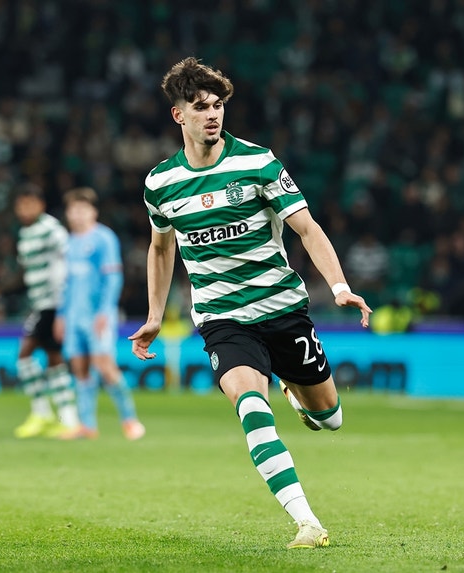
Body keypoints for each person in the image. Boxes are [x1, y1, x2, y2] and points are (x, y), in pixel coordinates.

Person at [129, 57, 372, 549]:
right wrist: (154, 315)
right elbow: (160, 247)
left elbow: (307, 228)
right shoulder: (161, 183)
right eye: (201, 107)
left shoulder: (258, 163)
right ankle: (307, 521)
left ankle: (296, 394)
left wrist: (339, 286)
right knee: (249, 405)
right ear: (179, 115)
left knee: (330, 417)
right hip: (223, 319)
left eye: (218, 106)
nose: (212, 115)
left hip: (282, 308)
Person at [0, 182, 83, 439]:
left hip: (54, 302)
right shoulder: (26, 234)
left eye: (30, 204)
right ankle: (68, 418)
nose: (25, 209)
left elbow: (68, 261)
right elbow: (24, 273)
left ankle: (42, 412)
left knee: (25, 355)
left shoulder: (52, 230)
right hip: (41, 302)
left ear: (41, 205)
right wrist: (0, 291)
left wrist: (66, 302)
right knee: (54, 359)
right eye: (21, 205)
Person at [54, 187, 145, 440]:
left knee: (105, 366)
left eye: (82, 209)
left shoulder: (104, 238)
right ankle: (87, 425)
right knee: (80, 369)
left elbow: (113, 278)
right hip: (74, 317)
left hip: (97, 316)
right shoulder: (68, 243)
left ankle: (130, 420)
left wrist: (105, 311)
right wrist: (61, 315)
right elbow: (66, 284)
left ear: (93, 212)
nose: (77, 214)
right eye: (73, 210)